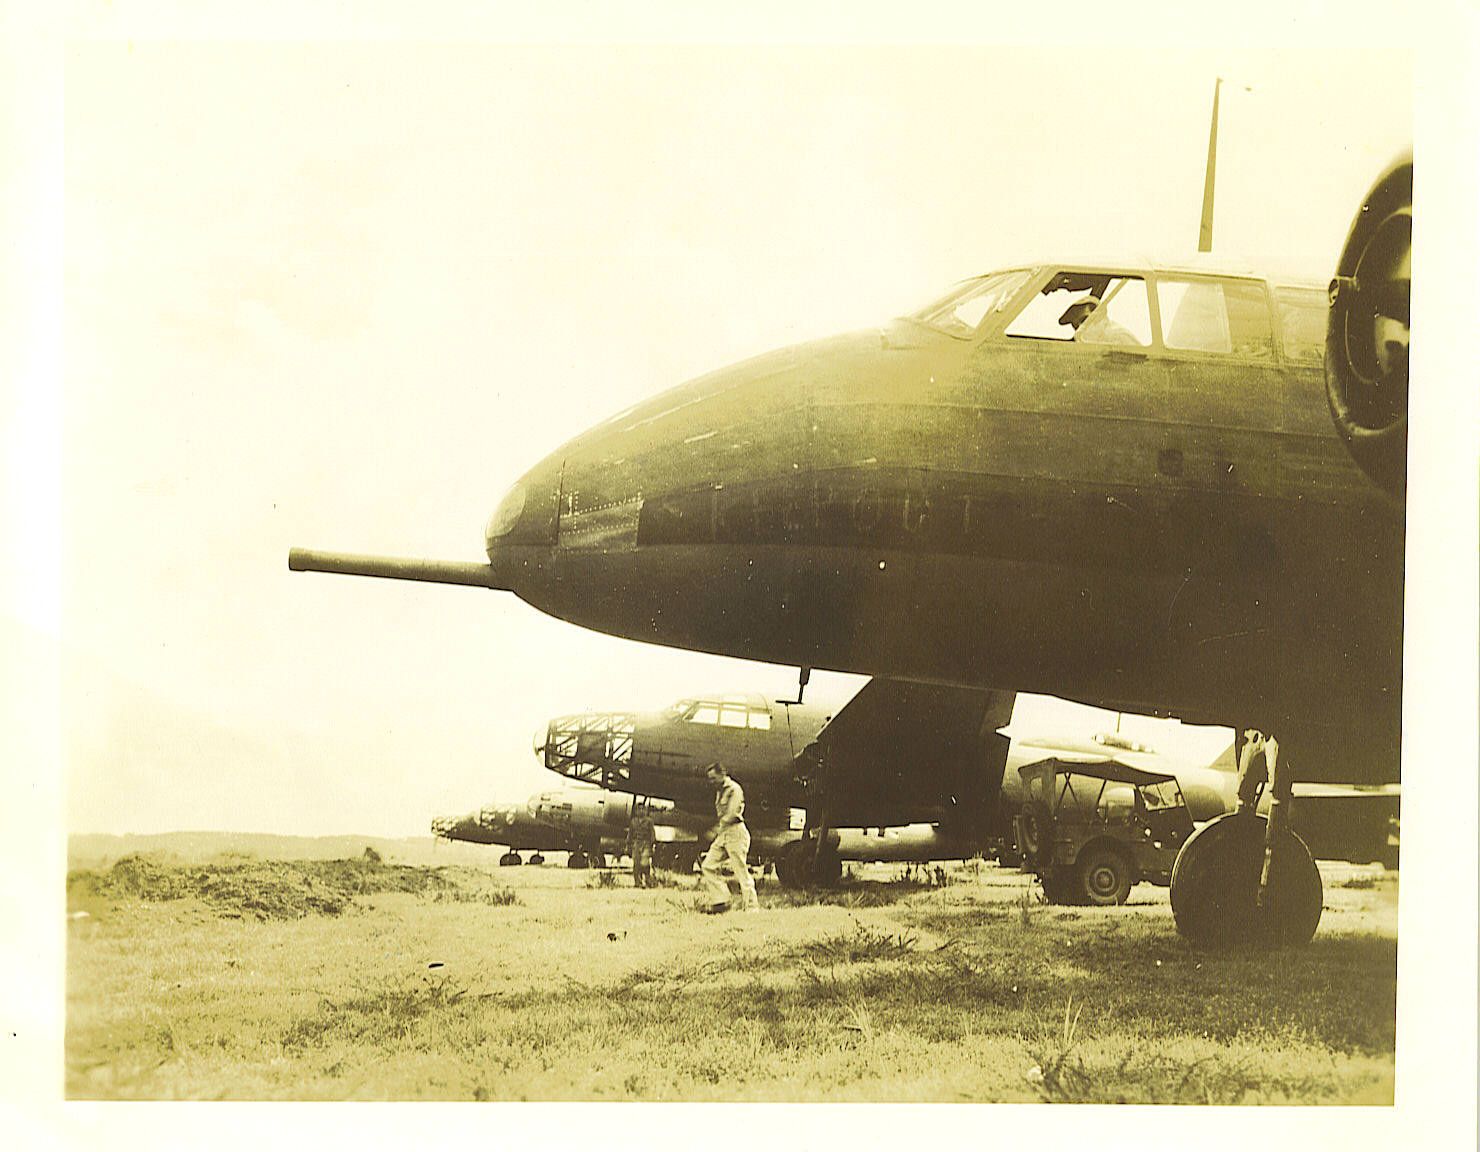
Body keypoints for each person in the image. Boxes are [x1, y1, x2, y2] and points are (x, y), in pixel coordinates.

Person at [698, 762, 759, 913]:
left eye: (713, 778)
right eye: (709, 779)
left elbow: (732, 814)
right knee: (708, 865)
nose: (711, 782)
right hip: (724, 833)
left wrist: (715, 830)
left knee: (740, 870)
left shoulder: (734, 789)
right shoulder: (719, 791)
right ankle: (722, 901)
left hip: (736, 833)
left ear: (722, 774)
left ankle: (752, 907)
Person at [1063, 294, 1140, 346]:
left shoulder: (1117, 336)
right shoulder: (1094, 342)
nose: (1079, 329)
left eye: (1084, 321)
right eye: (1076, 326)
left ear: (1100, 317)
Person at [627, 805, 656, 889]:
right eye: (639, 809)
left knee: (645, 862)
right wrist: (628, 844)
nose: (641, 811)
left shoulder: (649, 821)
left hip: (646, 843)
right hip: (636, 844)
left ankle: (647, 880)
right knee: (636, 863)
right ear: (636, 811)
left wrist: (653, 844)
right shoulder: (633, 821)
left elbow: (652, 833)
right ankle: (637, 882)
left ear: (645, 810)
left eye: (642, 809)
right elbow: (630, 833)